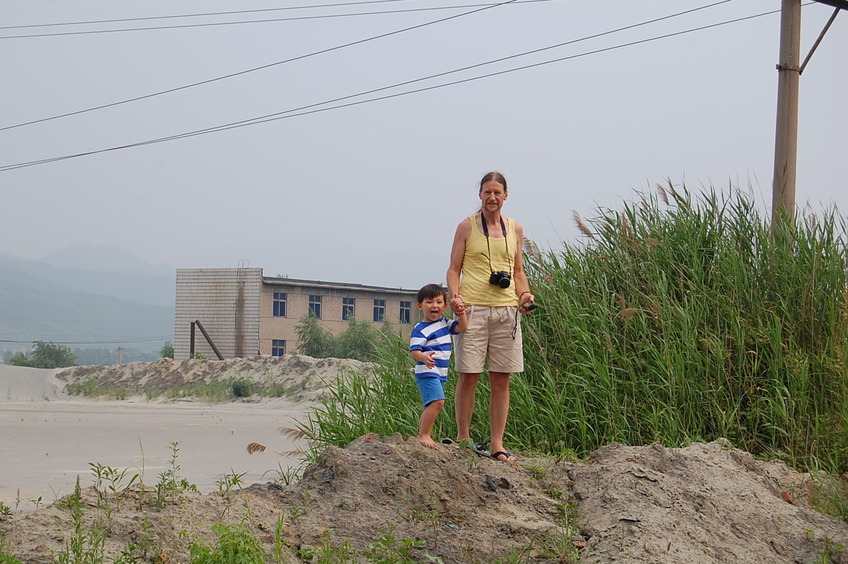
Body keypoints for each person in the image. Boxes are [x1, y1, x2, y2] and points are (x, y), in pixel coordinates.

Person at [446, 171, 535, 462]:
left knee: (501, 378)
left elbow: (519, 271)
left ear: (506, 195)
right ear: (480, 195)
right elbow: (454, 269)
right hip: (473, 308)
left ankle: (498, 443)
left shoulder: (515, 229)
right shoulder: (466, 227)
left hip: (507, 312)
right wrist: (454, 295)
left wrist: (525, 295)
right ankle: (463, 438)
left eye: (497, 192)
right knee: (468, 375)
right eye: (487, 192)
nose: (492, 198)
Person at [409, 283, 468, 450]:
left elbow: (462, 327)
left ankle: (422, 433)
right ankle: (424, 434)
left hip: (440, 372)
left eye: (438, 302)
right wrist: (424, 357)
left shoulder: (445, 323)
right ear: (420, 306)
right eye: (429, 302)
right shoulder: (420, 329)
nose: (434, 305)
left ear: (444, 306)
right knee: (438, 401)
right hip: (427, 371)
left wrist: (461, 313)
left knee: (432, 404)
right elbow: (414, 350)